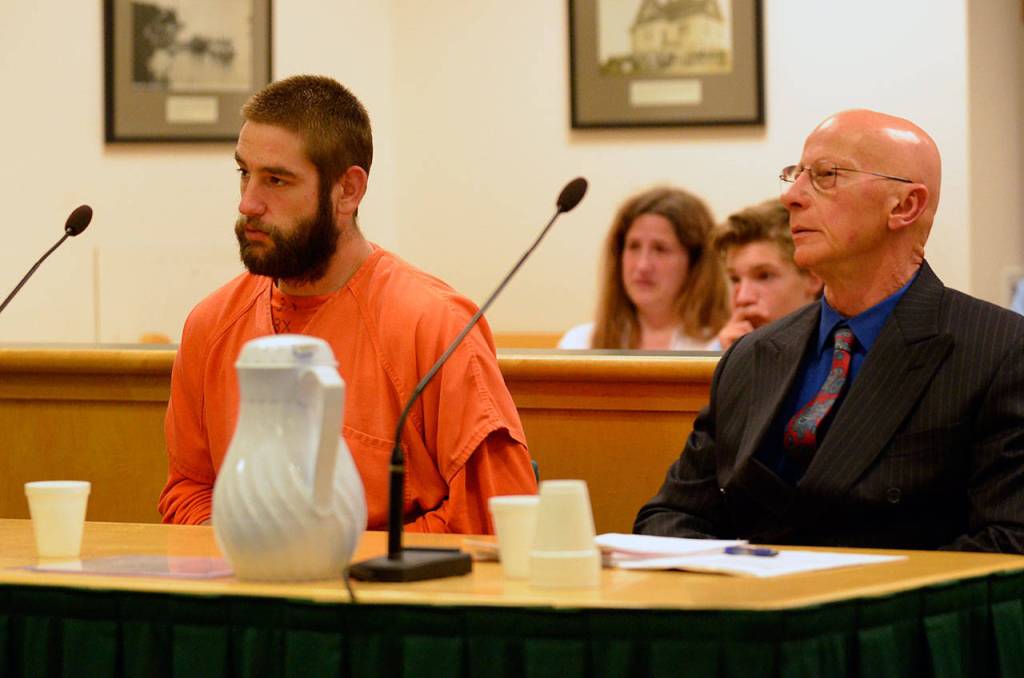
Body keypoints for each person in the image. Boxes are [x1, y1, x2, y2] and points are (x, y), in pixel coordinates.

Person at [158, 74, 537, 533]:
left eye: (276, 180)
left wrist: (339, 561)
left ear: (348, 190)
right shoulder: (211, 324)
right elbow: (190, 489)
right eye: (244, 173)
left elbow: (498, 515)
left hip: (394, 596)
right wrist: (248, 556)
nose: (248, 204)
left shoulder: (434, 324)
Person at [635, 109, 1024, 552]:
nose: (791, 198)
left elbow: (1008, 543)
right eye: (795, 175)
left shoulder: (1000, 351)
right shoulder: (752, 355)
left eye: (825, 175)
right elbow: (672, 515)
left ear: (905, 206)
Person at [558, 186, 730, 350]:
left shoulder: (721, 345)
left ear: (696, 263)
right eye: (633, 246)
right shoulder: (580, 343)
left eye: (660, 249)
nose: (642, 265)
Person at [712, 199, 823, 350]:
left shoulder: (839, 354)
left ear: (814, 278)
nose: (743, 298)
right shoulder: (716, 352)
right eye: (735, 279)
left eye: (764, 276)